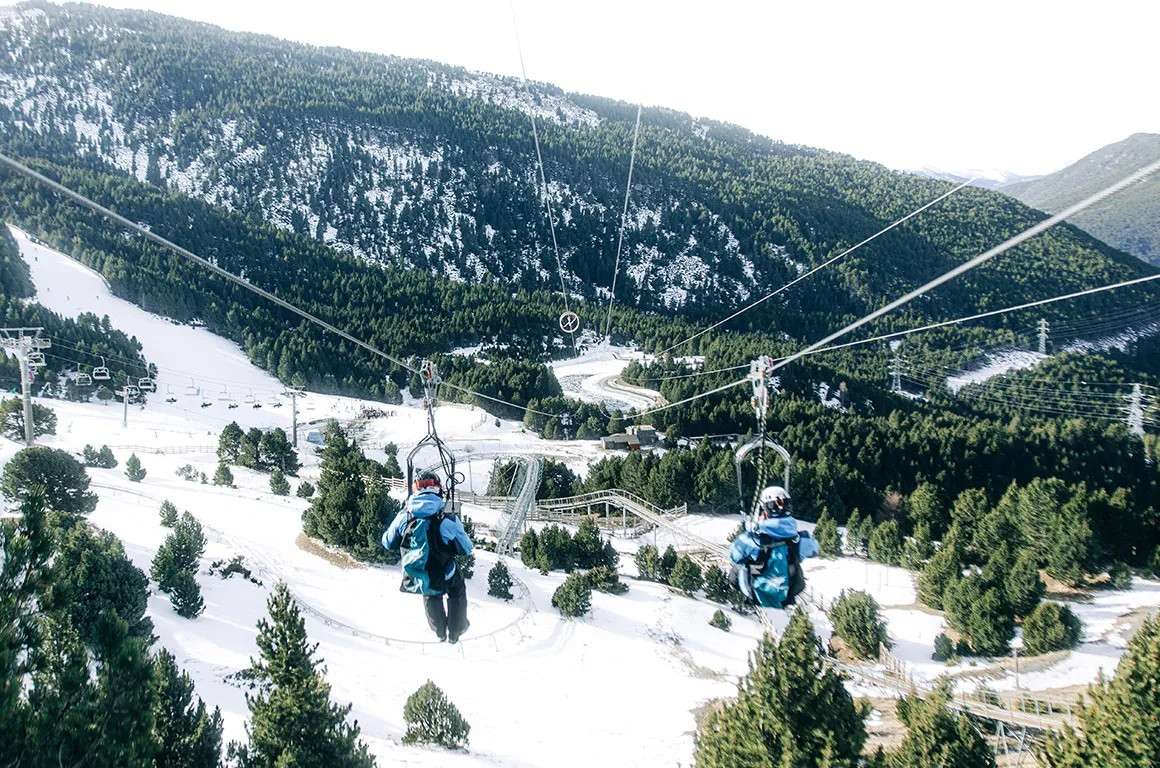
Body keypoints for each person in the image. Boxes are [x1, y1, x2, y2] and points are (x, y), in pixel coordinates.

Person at [382, 471, 473, 643]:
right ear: (438, 489)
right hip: (444, 572)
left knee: (429, 589)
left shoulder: (405, 516)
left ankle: (439, 631)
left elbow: (387, 542)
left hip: (417, 573)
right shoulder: (446, 518)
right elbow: (466, 548)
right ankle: (456, 630)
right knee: (457, 588)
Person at [728, 485, 819, 608]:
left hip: (756, 593)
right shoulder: (801, 539)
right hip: (785, 593)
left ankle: (742, 603)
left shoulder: (752, 539)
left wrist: (754, 527)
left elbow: (734, 555)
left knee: (737, 569)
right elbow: (815, 549)